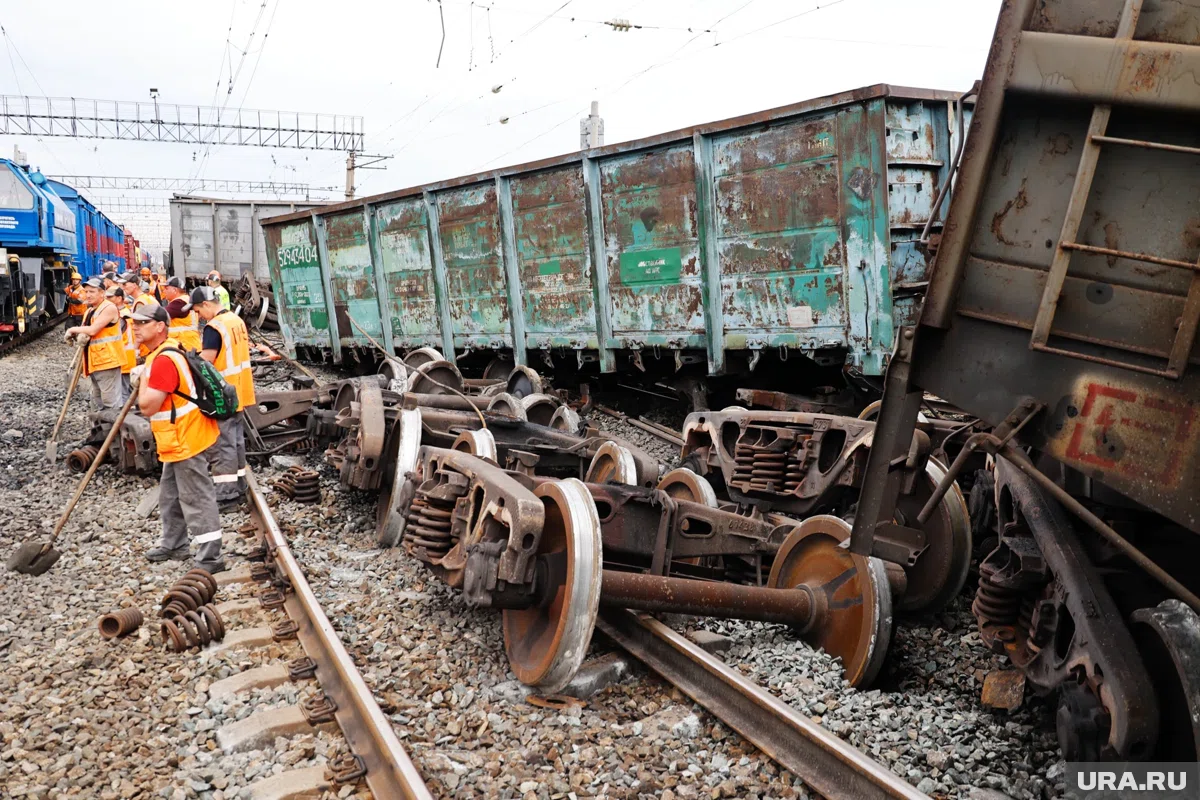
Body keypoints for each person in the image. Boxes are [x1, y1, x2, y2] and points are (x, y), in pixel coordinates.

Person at [131, 304, 225, 572]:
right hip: (175, 439)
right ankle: (174, 544)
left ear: (160, 326)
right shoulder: (164, 351)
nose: (135, 327)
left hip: (185, 438)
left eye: (142, 322)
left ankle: (211, 558)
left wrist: (140, 383)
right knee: (170, 495)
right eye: (134, 322)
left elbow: (148, 407)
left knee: (196, 498)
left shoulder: (163, 360)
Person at [187, 286, 254, 508]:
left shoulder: (214, 327)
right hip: (240, 391)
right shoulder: (235, 320)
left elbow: (208, 361)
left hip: (222, 394)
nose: (198, 316)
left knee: (223, 445)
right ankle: (240, 486)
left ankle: (226, 496)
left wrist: (192, 360)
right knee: (236, 442)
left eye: (197, 310)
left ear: (206, 305)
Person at [65, 277, 124, 411]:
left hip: (108, 361)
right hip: (95, 361)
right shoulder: (90, 311)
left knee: (110, 401)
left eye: (92, 291)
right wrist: (79, 335)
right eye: (86, 292)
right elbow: (86, 330)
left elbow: (93, 330)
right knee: (98, 400)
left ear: (102, 293)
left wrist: (72, 329)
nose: (88, 295)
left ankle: (113, 430)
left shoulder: (109, 308)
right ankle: (101, 429)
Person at [162, 276, 201, 351]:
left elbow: (159, 315)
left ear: (175, 290)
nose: (164, 291)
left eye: (167, 288)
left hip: (185, 346)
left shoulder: (179, 303)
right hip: (191, 345)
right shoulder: (186, 299)